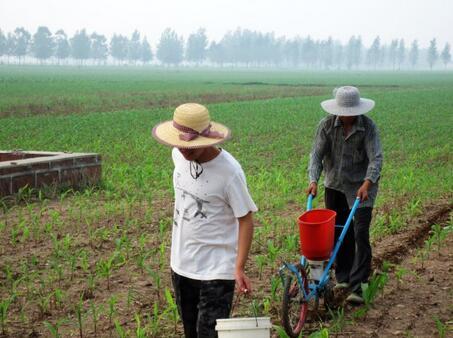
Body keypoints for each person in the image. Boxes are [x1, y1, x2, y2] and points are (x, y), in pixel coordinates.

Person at [152, 103, 257, 337]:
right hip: (181, 265)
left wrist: (239, 267)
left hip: (216, 271)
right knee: (191, 332)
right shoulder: (178, 156)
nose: (183, 150)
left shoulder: (230, 172)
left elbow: (246, 219)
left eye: (190, 145)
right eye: (179, 144)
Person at [307, 86, 383, 304]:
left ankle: (358, 286)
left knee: (359, 234)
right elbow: (316, 156)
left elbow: (376, 158)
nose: (347, 116)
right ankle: (343, 276)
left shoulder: (368, 127)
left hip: (362, 189)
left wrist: (367, 183)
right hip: (334, 185)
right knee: (337, 231)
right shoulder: (327, 126)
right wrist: (313, 181)